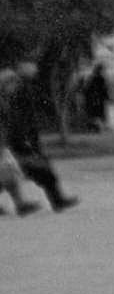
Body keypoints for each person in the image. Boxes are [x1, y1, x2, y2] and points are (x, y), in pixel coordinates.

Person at [0, 61, 79, 212]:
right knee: (36, 170)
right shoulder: (10, 100)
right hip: (16, 143)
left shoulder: (11, 99)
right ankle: (54, 200)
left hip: (16, 142)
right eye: (12, 83)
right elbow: (15, 123)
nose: (15, 86)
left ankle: (48, 200)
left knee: (12, 173)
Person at [82, 62, 110, 133]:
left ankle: (97, 128)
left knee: (94, 114)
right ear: (99, 70)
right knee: (99, 114)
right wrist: (107, 97)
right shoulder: (100, 79)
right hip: (97, 100)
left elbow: (86, 89)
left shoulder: (91, 78)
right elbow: (104, 89)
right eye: (102, 70)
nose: (104, 71)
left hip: (92, 99)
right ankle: (100, 128)